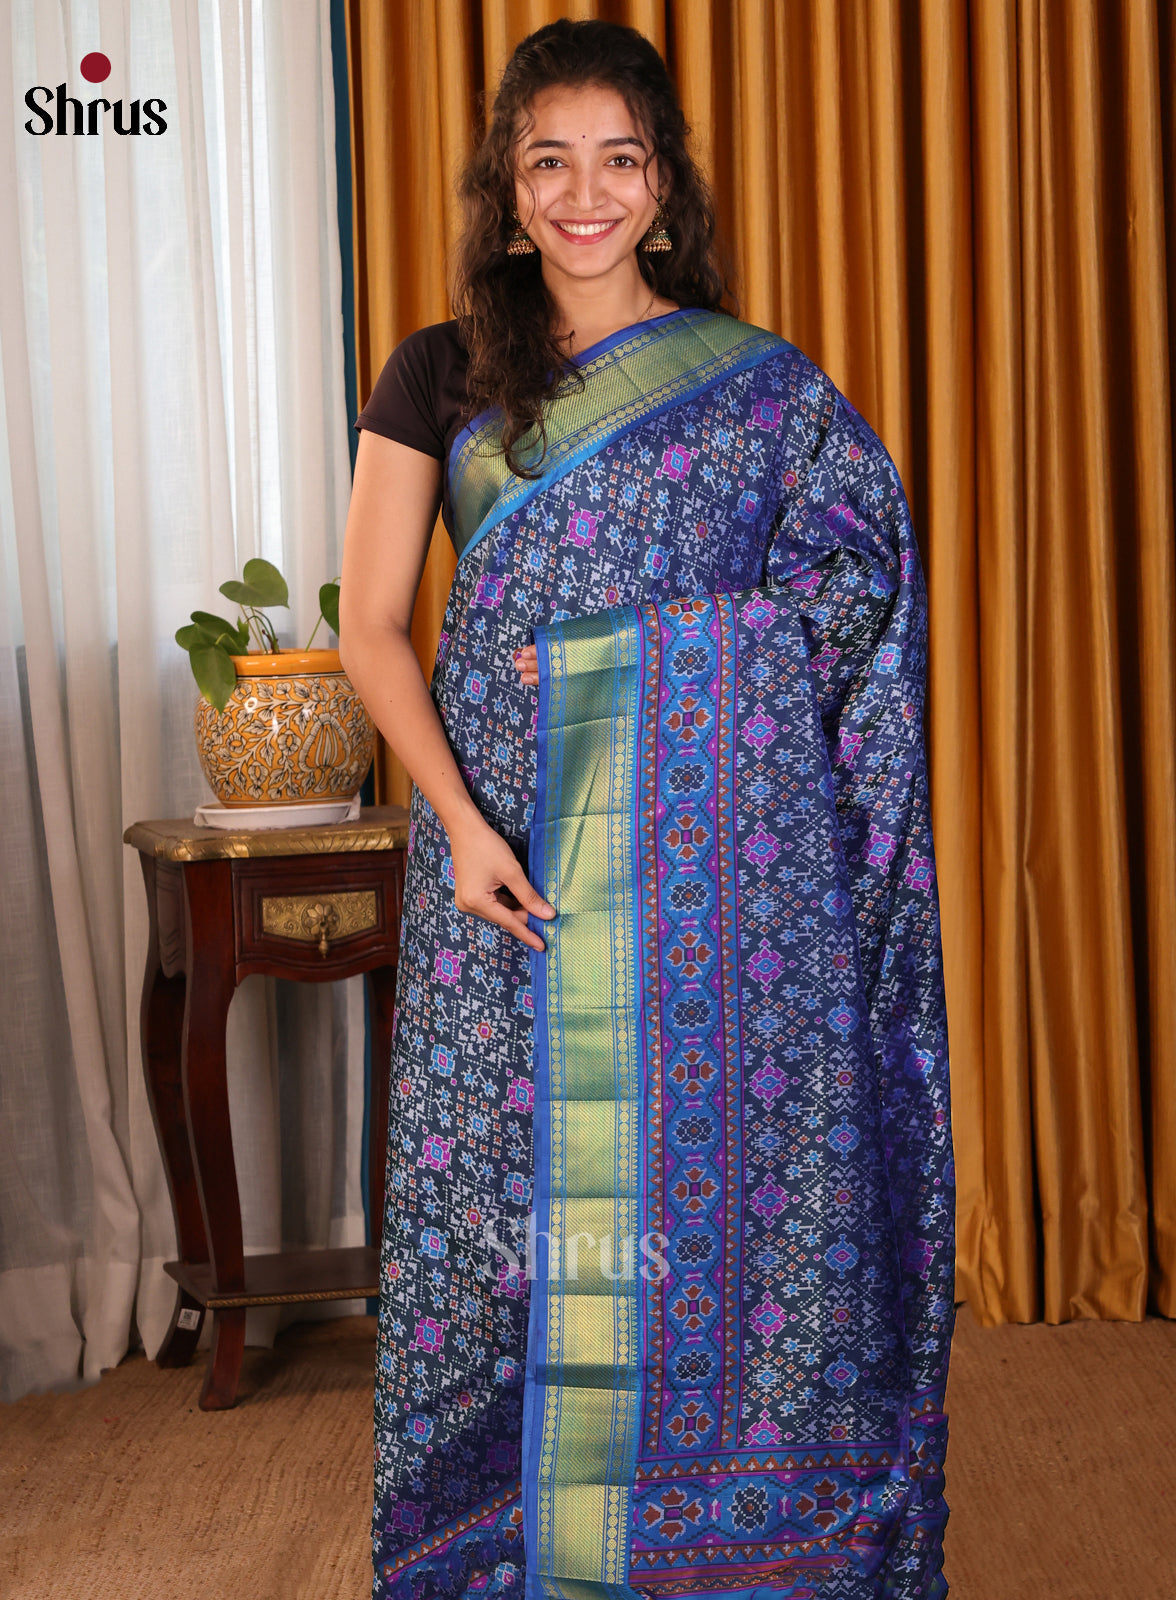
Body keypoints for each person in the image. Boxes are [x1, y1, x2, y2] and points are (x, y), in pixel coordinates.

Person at [339, 18, 954, 1600]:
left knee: (720, 1215)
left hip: (709, 898)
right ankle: (510, 1554)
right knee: (505, 1225)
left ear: (665, 185)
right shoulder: (438, 372)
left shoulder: (757, 390)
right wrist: (462, 827)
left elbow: (856, 600)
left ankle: (717, 1550)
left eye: (619, 161)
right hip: (505, 868)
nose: (585, 195)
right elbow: (373, 627)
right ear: (506, 185)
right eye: (550, 162)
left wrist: (666, 673)